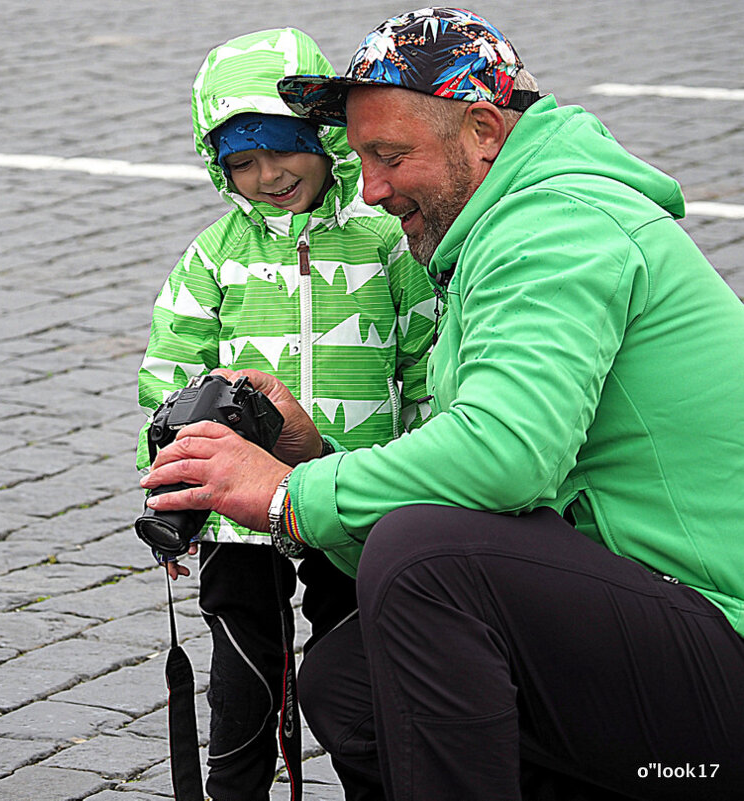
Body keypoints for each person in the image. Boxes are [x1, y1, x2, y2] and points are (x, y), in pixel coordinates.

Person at [141, 7, 744, 800]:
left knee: (425, 557)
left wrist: (286, 496)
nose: (376, 189)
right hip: (652, 619)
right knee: (347, 679)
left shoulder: (553, 227)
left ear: (484, 130)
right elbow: (489, 497)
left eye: (390, 156)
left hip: (719, 641)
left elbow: (504, 459)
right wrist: (313, 458)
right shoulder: (496, 228)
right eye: (360, 159)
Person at [135, 26, 435, 801]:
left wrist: (425, 473)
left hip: (354, 491)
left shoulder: (384, 244)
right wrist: (172, 496)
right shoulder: (213, 256)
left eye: (283, 149)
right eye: (241, 161)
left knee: (364, 682)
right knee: (241, 688)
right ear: (217, 165)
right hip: (239, 514)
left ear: (324, 136)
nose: (267, 175)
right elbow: (169, 380)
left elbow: (428, 363)